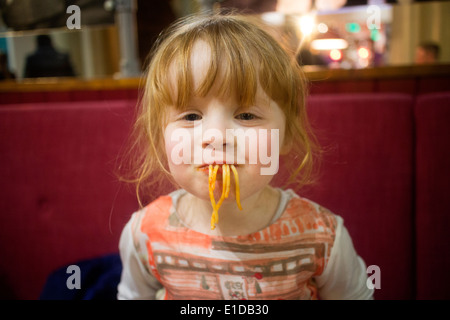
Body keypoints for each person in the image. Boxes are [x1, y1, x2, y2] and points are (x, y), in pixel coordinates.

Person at [117, 13, 373, 300]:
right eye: (190, 116)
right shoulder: (144, 234)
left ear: (286, 135)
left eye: (247, 115)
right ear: (161, 137)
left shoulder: (321, 236)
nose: (216, 136)